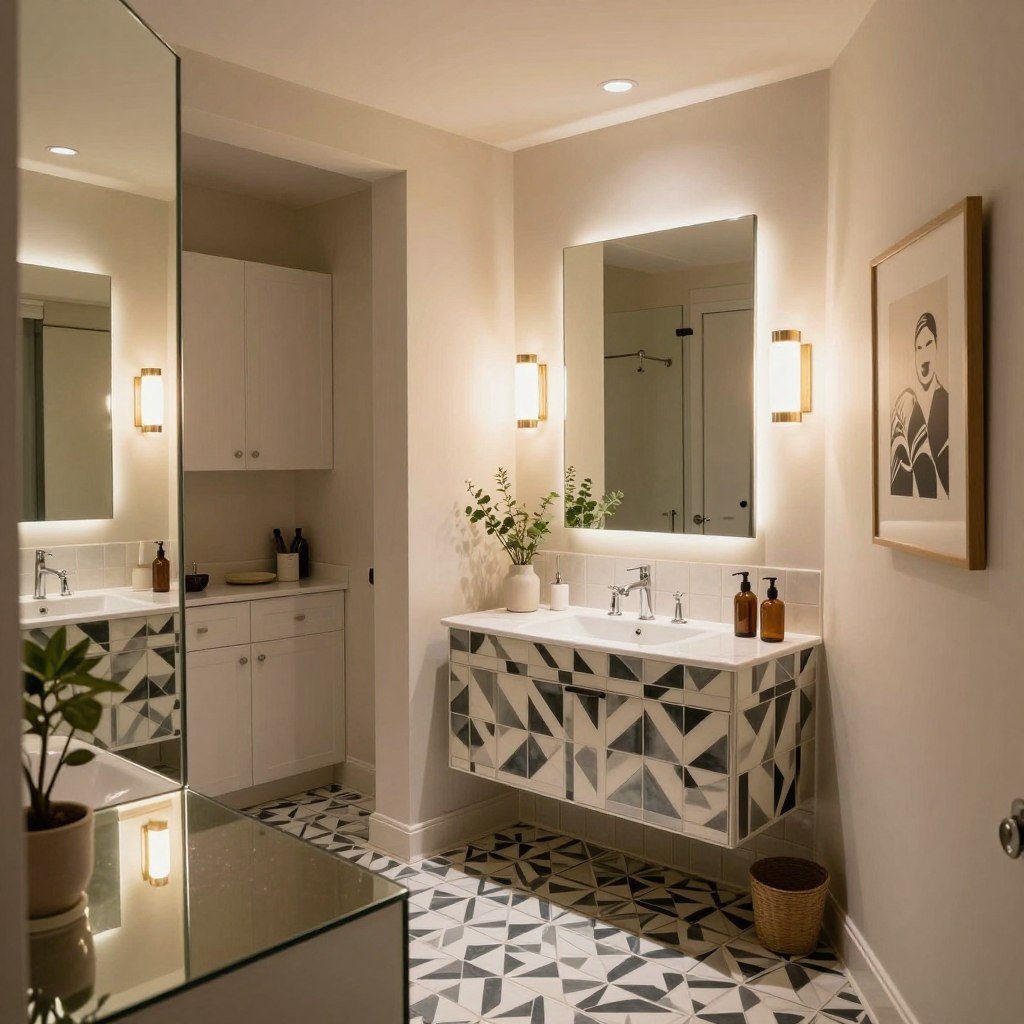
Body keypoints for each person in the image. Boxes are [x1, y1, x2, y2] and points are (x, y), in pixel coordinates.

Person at [890, 311, 949, 498]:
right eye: (919, 347)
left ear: (937, 346)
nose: (924, 354)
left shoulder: (944, 403)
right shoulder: (905, 405)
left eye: (929, 344)